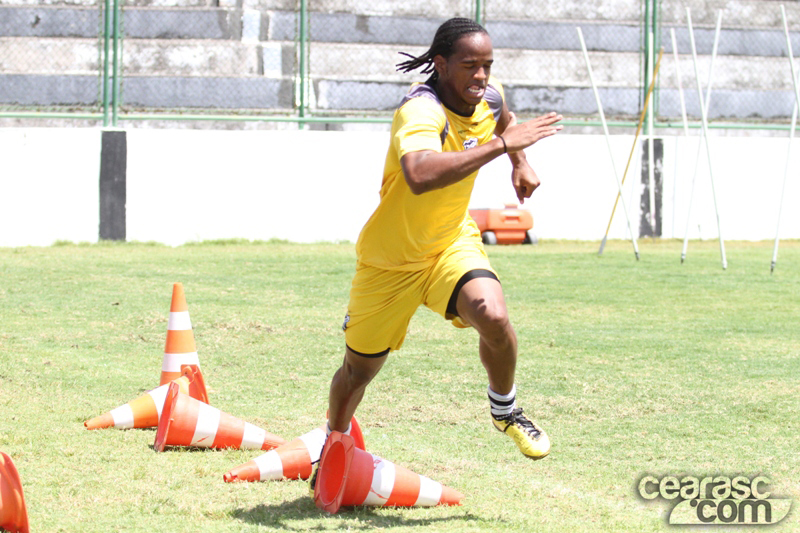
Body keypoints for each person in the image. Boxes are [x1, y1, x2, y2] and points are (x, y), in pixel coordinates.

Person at [323, 17, 562, 463]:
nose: (481, 76)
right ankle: (333, 444)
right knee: (357, 373)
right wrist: (502, 148)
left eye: (487, 65)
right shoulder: (421, 110)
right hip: (389, 261)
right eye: (470, 65)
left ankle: (505, 410)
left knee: (494, 316)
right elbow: (419, 174)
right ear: (442, 64)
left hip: (450, 242)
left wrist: (519, 162)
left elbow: (504, 123)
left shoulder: (489, 96)